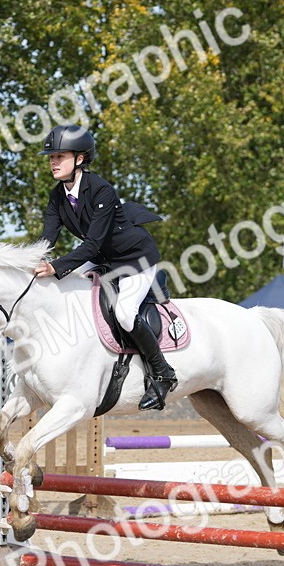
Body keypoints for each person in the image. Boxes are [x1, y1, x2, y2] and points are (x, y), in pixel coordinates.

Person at [33, 124, 175, 411]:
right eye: (51, 157)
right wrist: (32, 262)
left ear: (80, 159)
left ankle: (163, 374)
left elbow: (93, 244)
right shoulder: (56, 196)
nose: (53, 161)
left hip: (136, 258)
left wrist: (56, 266)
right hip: (103, 257)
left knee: (124, 313)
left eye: (60, 156)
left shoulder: (101, 191)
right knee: (62, 290)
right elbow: (47, 239)